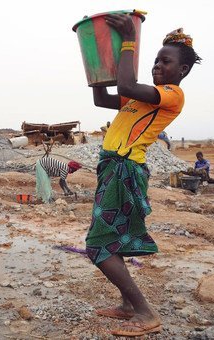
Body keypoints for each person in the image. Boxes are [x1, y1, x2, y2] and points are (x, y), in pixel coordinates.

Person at [85, 17, 201, 337]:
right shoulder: (140, 98)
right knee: (113, 239)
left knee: (98, 246)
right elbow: (102, 98)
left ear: (183, 71)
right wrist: (95, 60)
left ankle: (145, 312)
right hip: (112, 168)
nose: (157, 66)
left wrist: (127, 41)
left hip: (125, 172)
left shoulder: (171, 94)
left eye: (166, 62)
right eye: (155, 60)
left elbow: (124, 85)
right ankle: (127, 306)